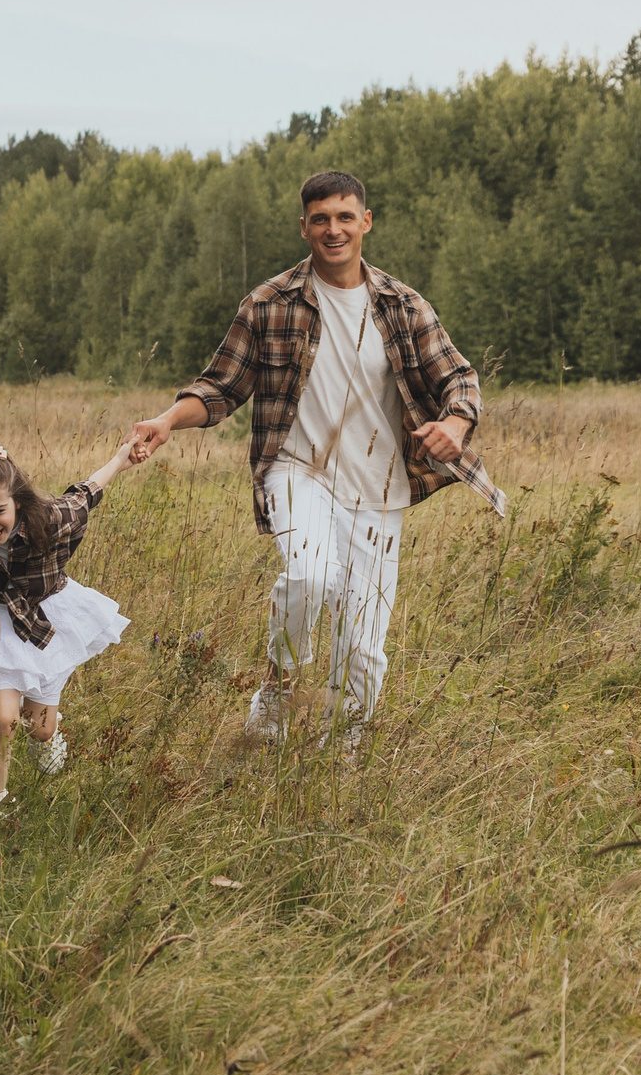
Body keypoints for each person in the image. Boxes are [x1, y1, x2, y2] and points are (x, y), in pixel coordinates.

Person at [124, 170, 504, 752]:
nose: (334, 230)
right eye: (321, 219)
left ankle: (342, 754)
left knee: (363, 642)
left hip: (378, 488)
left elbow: (459, 377)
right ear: (304, 227)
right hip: (296, 470)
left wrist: (455, 424)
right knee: (310, 574)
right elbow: (220, 387)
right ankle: (276, 692)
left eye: (345, 217)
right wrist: (167, 421)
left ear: (366, 222)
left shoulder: (403, 305)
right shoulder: (269, 304)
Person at [0, 439, 137, 805]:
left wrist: (121, 458)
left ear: (18, 501)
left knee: (37, 728)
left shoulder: (53, 518)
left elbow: (86, 492)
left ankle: (49, 735)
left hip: (49, 619)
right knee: (1, 719)